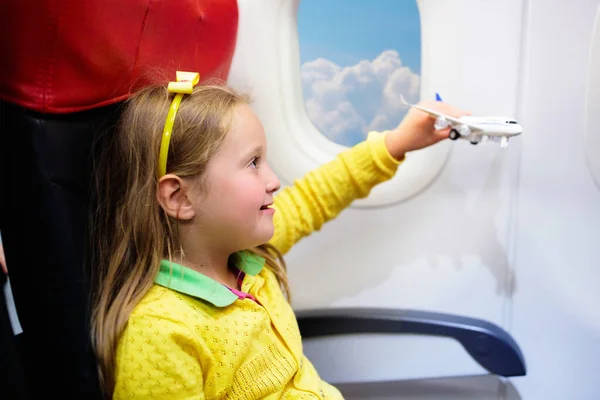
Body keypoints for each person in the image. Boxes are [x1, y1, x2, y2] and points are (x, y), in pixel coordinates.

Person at [91, 72, 469, 399]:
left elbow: (316, 196)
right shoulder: (160, 334)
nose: (273, 181)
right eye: (253, 163)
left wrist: (397, 142)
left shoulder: (248, 256)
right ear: (180, 196)